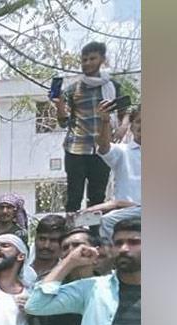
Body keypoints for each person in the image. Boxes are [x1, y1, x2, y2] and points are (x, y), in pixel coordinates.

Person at [53, 42, 117, 213]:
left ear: (102, 59)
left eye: (92, 58)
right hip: (76, 149)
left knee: (97, 197)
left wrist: (123, 126)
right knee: (74, 196)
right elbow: (63, 122)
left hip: (102, 149)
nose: (87, 63)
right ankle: (72, 234)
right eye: (84, 59)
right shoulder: (73, 89)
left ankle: (94, 235)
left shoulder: (112, 86)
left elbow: (125, 111)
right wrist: (59, 105)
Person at [86, 103, 141, 241]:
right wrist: (105, 121)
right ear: (132, 126)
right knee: (81, 221)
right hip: (126, 214)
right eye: (139, 121)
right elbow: (104, 146)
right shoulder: (123, 151)